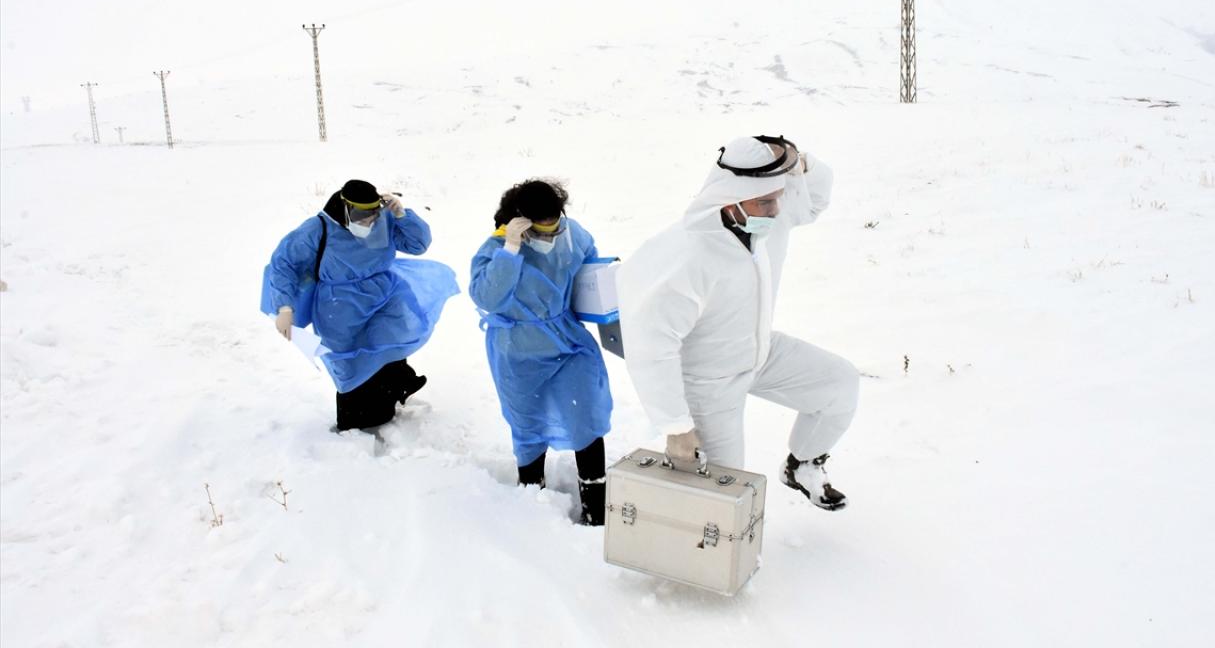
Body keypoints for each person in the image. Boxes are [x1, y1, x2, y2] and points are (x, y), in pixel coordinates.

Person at [616, 136, 858, 511]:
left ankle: (803, 465)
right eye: (766, 201)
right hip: (708, 384)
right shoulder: (687, 254)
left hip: (759, 351)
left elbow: (814, 200)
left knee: (839, 384)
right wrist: (676, 427)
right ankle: (695, 544)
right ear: (731, 200)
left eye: (778, 197)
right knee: (722, 494)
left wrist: (802, 164)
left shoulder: (764, 220)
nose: (777, 209)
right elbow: (651, 345)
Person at [469, 179, 613, 526]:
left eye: (555, 225)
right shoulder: (497, 247)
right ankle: (534, 503)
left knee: (586, 415)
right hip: (517, 350)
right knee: (527, 425)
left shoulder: (571, 234)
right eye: (542, 229)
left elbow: (589, 267)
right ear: (522, 221)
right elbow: (487, 297)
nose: (551, 235)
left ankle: (596, 506)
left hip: (567, 343)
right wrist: (510, 251)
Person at [262, 179, 457, 432]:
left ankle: (393, 395)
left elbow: (417, 245)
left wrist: (402, 215)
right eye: (361, 217)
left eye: (373, 215)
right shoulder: (317, 229)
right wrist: (284, 307)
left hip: (385, 295)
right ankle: (358, 423)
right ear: (345, 210)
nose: (369, 222)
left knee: (388, 346)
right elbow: (284, 264)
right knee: (350, 364)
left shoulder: (382, 219)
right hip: (339, 307)